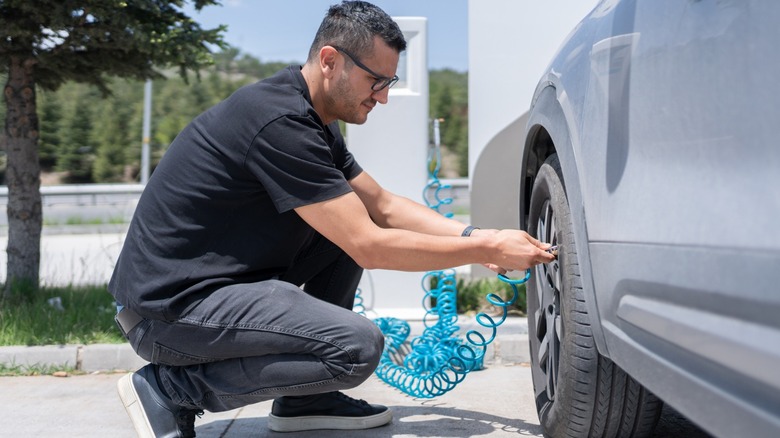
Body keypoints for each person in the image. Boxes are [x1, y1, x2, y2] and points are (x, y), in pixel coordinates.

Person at [110, 1, 555, 436]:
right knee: (356, 348)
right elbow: (370, 246)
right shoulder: (278, 121)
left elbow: (383, 206)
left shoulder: (313, 119)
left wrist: (476, 234)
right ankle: (169, 390)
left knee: (342, 226)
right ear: (329, 61)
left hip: (210, 290)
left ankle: (307, 400)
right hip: (168, 313)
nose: (384, 96)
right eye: (376, 81)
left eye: (390, 81)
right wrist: (482, 249)